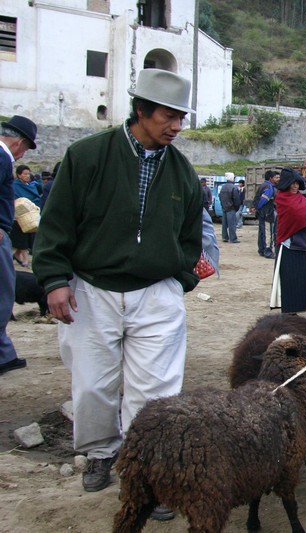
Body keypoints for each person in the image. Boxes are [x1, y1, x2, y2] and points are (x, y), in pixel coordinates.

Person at [32, 69, 202, 517]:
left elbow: (190, 236)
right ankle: (101, 452)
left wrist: (180, 279)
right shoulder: (87, 156)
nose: (177, 126)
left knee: (157, 390)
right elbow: (56, 223)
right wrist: (54, 280)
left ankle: (149, 469)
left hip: (157, 292)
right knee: (93, 384)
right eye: (169, 116)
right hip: (91, 288)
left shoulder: (183, 172)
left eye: (181, 117)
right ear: (142, 110)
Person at [0, 115, 38, 376]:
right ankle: (3, 354)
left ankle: (5, 352)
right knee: (4, 292)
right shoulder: (3, 158)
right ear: (20, 143)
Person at [269, 168, 306, 313]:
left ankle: (300, 306)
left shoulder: (301, 199)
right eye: (292, 183)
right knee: (290, 279)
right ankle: (290, 309)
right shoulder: (282, 198)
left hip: (304, 243)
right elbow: (301, 215)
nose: (295, 186)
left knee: (302, 278)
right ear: (286, 184)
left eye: (297, 183)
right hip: (288, 244)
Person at [10, 164, 41, 267]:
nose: (27, 176)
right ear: (19, 175)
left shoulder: (32, 186)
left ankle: (17, 255)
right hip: (19, 216)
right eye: (25, 174)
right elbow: (17, 200)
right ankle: (25, 259)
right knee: (21, 238)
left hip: (31, 216)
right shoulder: (15, 186)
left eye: (28, 173)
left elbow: (36, 198)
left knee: (29, 237)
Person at [254, 170, 278, 258]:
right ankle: (268, 251)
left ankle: (261, 249)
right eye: (276, 177)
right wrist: (259, 208)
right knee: (269, 232)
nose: (278, 179)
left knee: (262, 231)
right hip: (268, 213)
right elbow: (263, 200)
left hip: (263, 213)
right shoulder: (269, 187)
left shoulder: (263, 185)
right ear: (271, 178)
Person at [219, 172, 240, 243]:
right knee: (232, 224)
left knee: (224, 224)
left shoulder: (223, 187)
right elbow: (236, 199)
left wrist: (223, 206)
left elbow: (220, 197)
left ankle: (225, 237)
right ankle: (233, 238)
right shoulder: (234, 187)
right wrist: (236, 208)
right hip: (231, 208)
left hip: (224, 207)